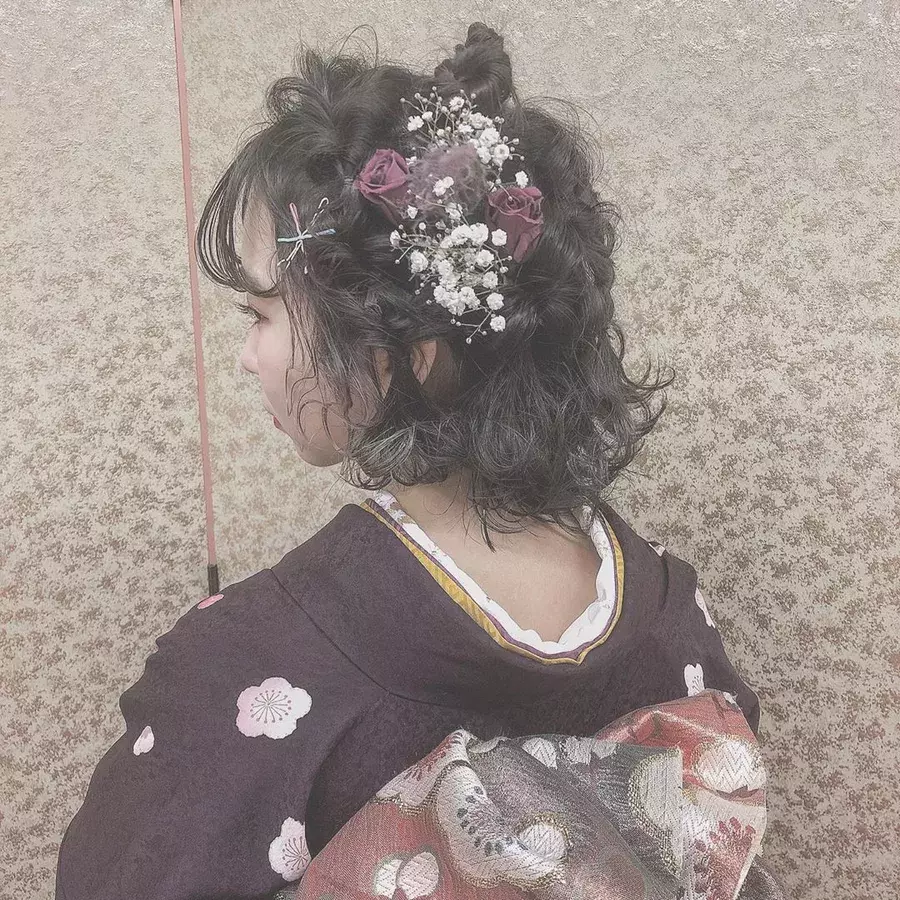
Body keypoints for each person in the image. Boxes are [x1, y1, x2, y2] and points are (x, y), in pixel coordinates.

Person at [55, 22, 782, 900]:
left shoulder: (252, 665)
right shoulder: (672, 622)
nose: (248, 357)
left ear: (409, 356)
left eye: (261, 315)